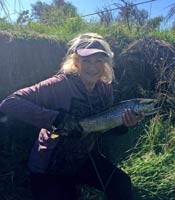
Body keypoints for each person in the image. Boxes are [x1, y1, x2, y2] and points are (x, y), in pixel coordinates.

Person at [0, 32, 144, 200]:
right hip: (48, 167)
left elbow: (103, 126)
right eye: (86, 61)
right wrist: (56, 119)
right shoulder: (58, 85)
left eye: (99, 61)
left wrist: (122, 124)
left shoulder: (105, 89)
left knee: (121, 183)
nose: (93, 67)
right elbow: (10, 102)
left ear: (106, 64)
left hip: (82, 159)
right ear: (76, 62)